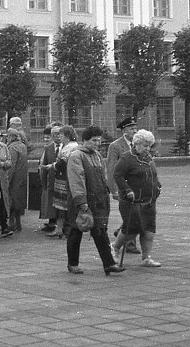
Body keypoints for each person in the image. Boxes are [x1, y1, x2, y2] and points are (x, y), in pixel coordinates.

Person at [65, 126, 125, 276]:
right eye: (94, 140)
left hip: (98, 200)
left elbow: (103, 177)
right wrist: (82, 202)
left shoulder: (97, 155)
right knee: (76, 230)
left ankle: (109, 264)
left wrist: (109, 192)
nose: (97, 143)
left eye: (99, 140)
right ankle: (73, 264)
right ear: (84, 140)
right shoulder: (76, 156)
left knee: (100, 231)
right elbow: (77, 180)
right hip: (82, 201)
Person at [111, 129, 163, 268]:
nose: (148, 149)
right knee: (131, 229)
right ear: (136, 144)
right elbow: (117, 174)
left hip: (149, 201)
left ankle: (146, 258)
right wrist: (127, 190)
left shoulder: (148, 158)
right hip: (132, 201)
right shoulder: (127, 158)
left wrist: (157, 185)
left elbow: (153, 174)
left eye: (149, 146)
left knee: (149, 231)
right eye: (145, 145)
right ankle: (115, 247)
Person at [106, 117, 141, 254]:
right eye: (132, 129)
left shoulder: (139, 144)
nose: (135, 131)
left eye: (135, 128)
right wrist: (113, 189)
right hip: (123, 186)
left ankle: (120, 232)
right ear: (124, 130)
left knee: (138, 214)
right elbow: (112, 168)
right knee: (131, 214)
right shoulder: (115, 146)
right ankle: (130, 244)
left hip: (138, 186)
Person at [38, 124, 63, 233]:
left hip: (63, 181)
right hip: (52, 181)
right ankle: (52, 222)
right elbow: (44, 166)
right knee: (51, 202)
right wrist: (44, 182)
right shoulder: (48, 148)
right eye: (55, 134)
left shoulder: (67, 147)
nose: (57, 136)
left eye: (59, 133)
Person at [5, 128, 30, 232]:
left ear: (10, 137)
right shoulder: (22, 146)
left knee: (12, 200)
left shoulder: (12, 148)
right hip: (22, 177)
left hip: (15, 179)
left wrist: (7, 180)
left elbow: (12, 165)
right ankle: (18, 223)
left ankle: (12, 223)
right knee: (19, 200)